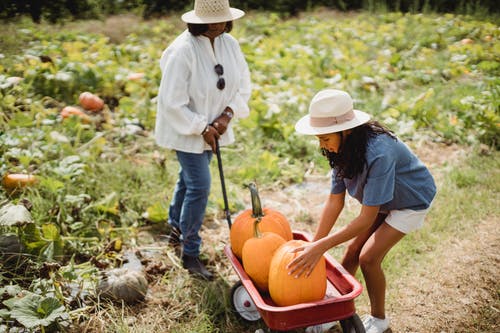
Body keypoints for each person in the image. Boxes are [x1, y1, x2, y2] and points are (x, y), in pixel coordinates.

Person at [289, 89, 436, 333]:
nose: (322, 145)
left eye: (325, 139)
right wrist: (316, 243)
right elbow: (335, 202)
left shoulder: (379, 152)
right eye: (319, 139)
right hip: (382, 200)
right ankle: (331, 312)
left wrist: (321, 247)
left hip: (411, 199)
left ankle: (379, 320)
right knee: (351, 252)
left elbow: (366, 217)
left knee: (368, 258)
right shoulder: (340, 149)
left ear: (345, 130)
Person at [154, 0, 251, 280]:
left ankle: (175, 228)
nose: (221, 25)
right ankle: (191, 251)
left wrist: (226, 116)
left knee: (187, 180)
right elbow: (172, 102)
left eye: (224, 19)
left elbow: (243, 83)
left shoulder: (229, 43)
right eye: (215, 20)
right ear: (199, 20)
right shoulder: (182, 51)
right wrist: (201, 127)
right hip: (184, 129)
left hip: (215, 127)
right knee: (200, 185)